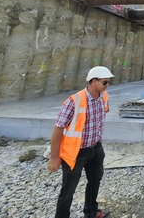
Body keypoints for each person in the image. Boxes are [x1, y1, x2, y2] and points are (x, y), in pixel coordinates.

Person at [48, 66, 114, 218]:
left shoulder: (103, 96)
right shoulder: (74, 101)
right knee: (68, 190)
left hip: (95, 148)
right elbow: (58, 128)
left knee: (95, 181)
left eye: (108, 83)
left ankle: (91, 212)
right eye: (104, 82)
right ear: (94, 81)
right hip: (76, 152)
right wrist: (54, 156)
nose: (107, 86)